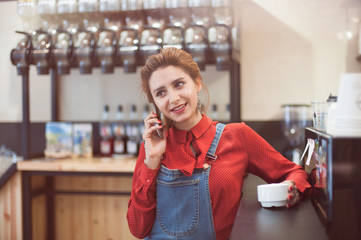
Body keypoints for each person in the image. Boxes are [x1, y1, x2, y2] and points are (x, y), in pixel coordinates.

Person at [127, 47, 311, 240]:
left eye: (179, 84)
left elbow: (295, 173)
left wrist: (291, 187)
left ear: (197, 83)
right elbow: (138, 229)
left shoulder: (237, 136)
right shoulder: (152, 148)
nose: (173, 98)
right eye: (161, 93)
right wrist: (152, 160)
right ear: (155, 102)